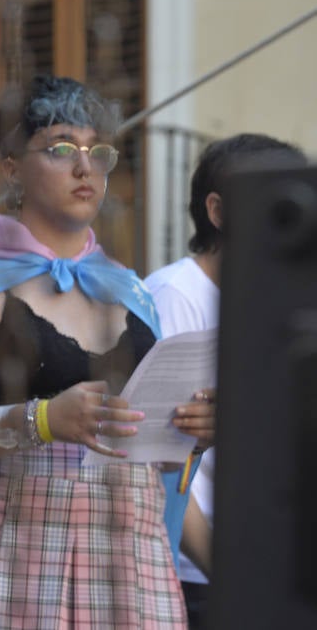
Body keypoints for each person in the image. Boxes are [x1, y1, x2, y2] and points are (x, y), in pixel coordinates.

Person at [0, 74, 216, 629]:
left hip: (131, 553)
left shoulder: (132, 291)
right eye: (60, 149)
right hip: (18, 550)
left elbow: (155, 451)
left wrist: (189, 430)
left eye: (98, 152)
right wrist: (44, 418)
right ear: (10, 168)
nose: (85, 169)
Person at [144, 133, 305, 628]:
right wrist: (229, 574)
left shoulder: (283, 298)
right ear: (217, 210)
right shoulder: (175, 295)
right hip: (206, 577)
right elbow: (159, 461)